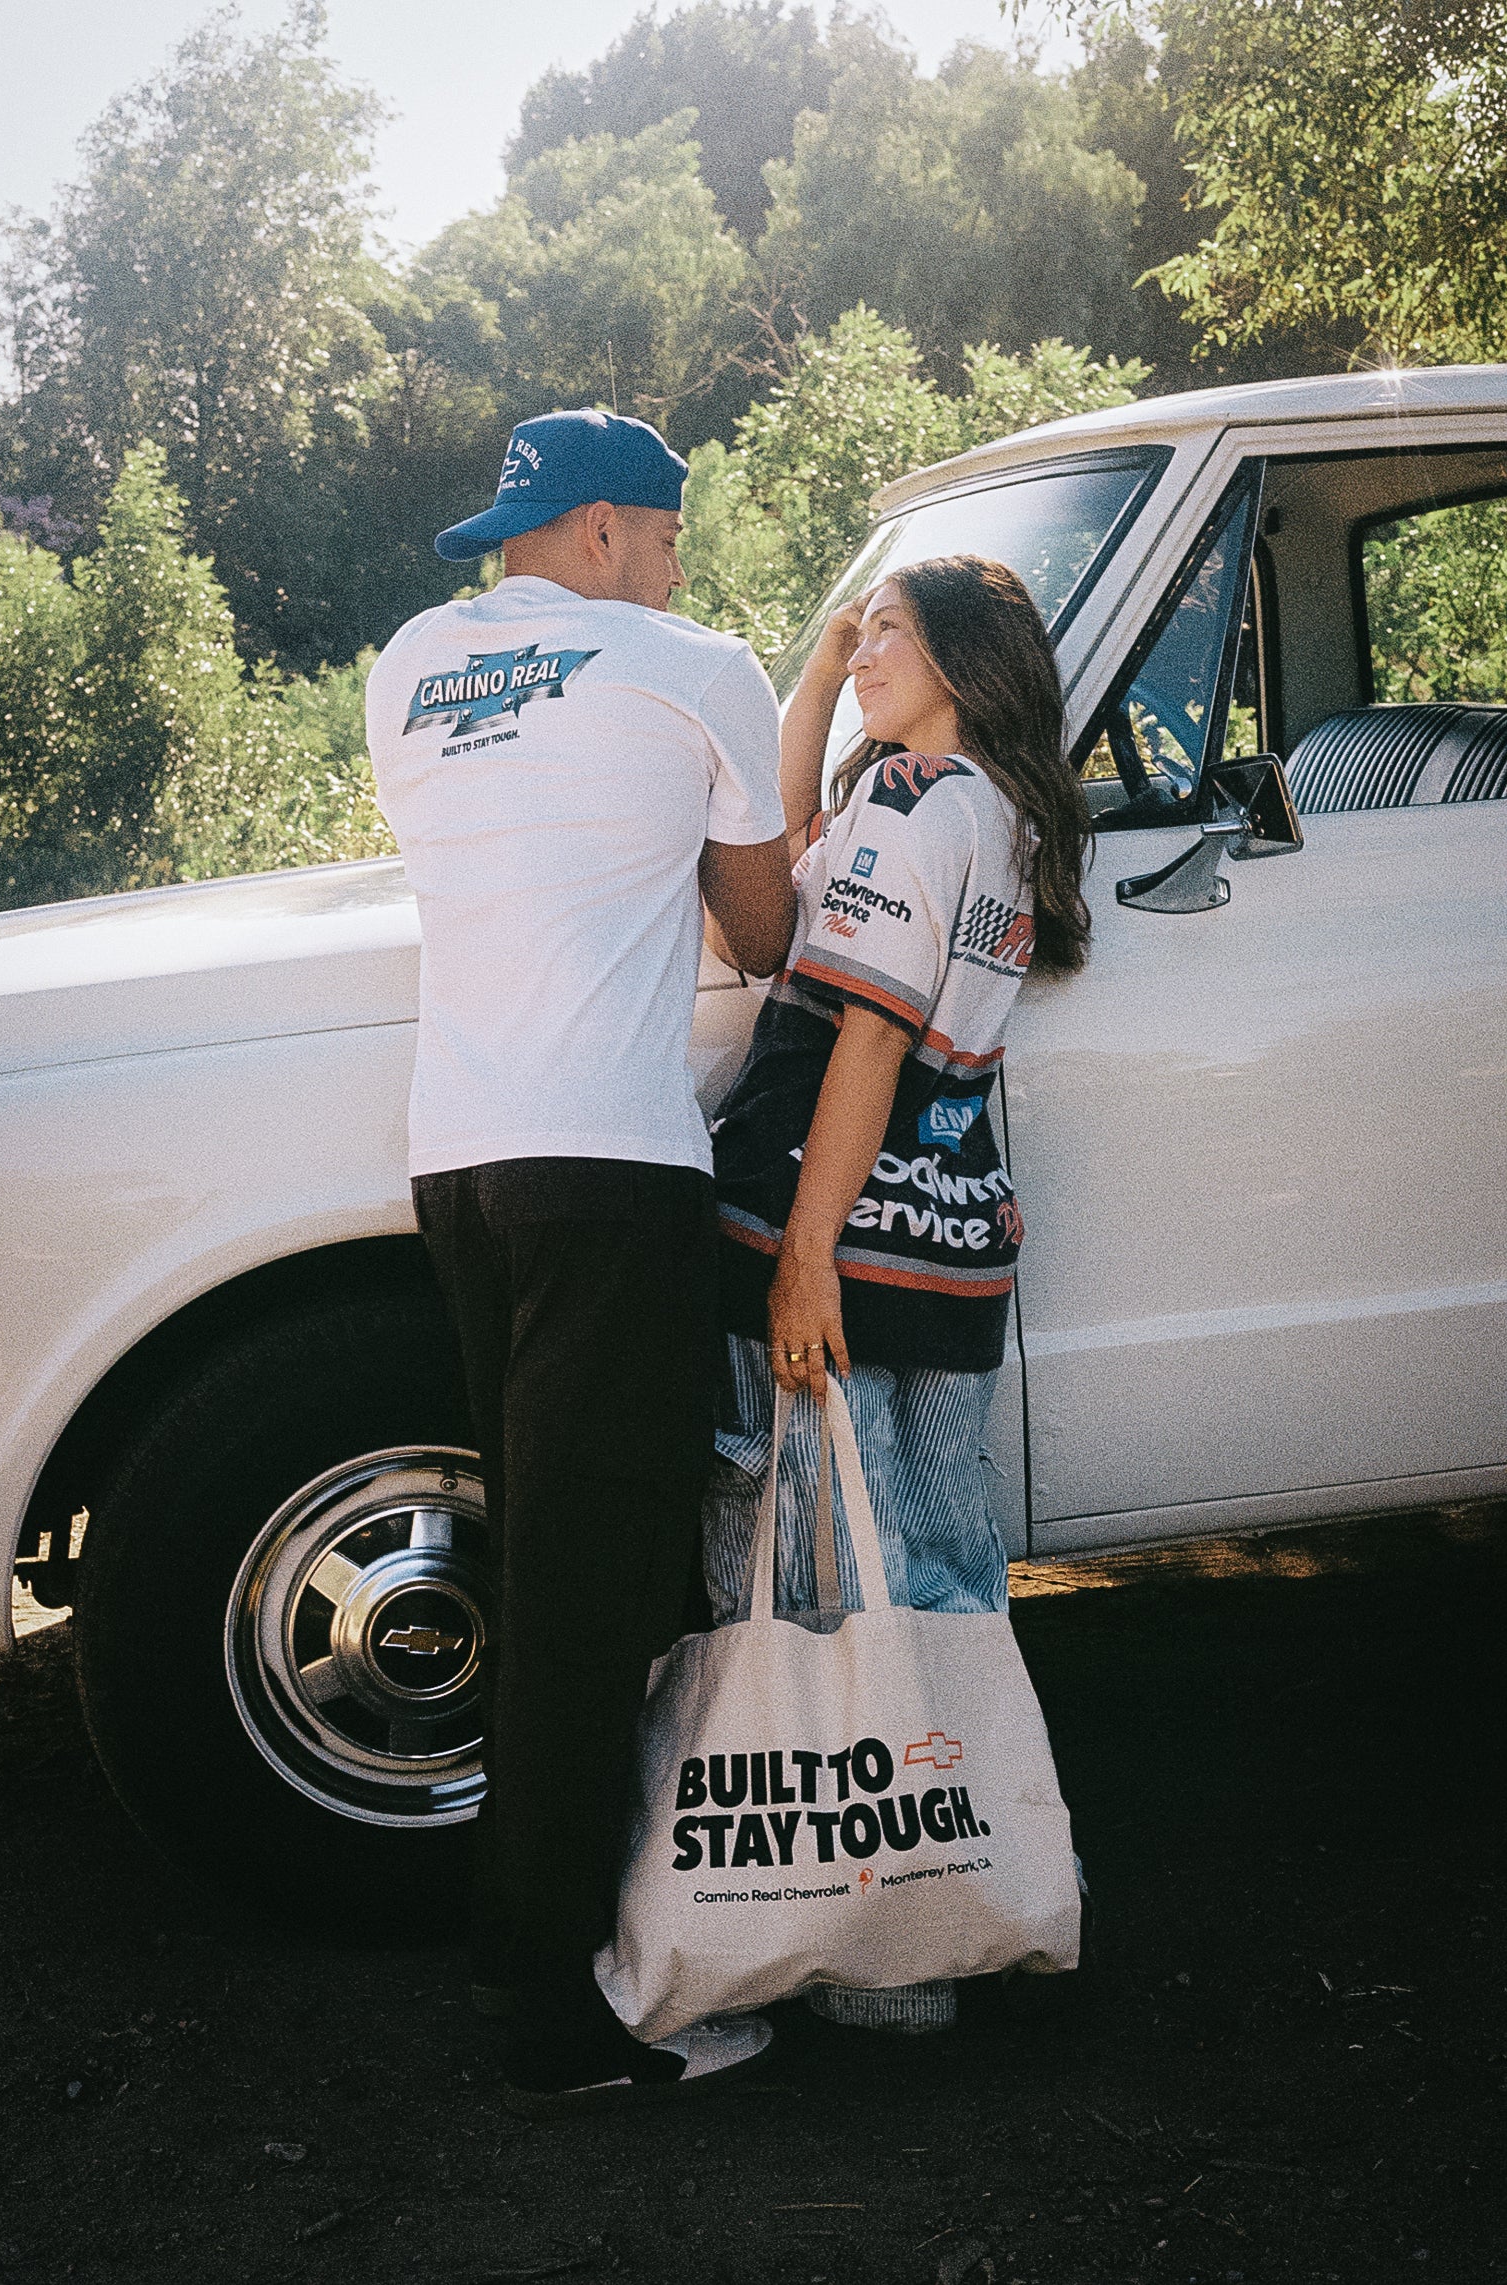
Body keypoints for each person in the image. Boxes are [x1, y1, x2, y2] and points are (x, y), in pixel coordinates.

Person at [365, 409, 795, 2112]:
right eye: (673, 532)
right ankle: (554, 2004)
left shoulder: (408, 664)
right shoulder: (699, 665)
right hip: (613, 1165)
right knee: (594, 1591)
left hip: (457, 1161)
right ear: (610, 530)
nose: (683, 562)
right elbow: (760, 929)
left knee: (545, 1558)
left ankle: (583, 1934)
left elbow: (519, 850)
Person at [702, 554, 1093, 2033]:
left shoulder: (917, 803)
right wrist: (814, 684)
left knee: (817, 1570)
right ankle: (962, 1899)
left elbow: (861, 1031)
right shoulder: (996, 808)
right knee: (942, 1571)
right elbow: (801, 852)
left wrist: (801, 1251)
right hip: (950, 1245)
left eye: (889, 634)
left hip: (840, 1242)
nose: (863, 649)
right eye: (858, 630)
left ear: (965, 659)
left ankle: (868, 1958)